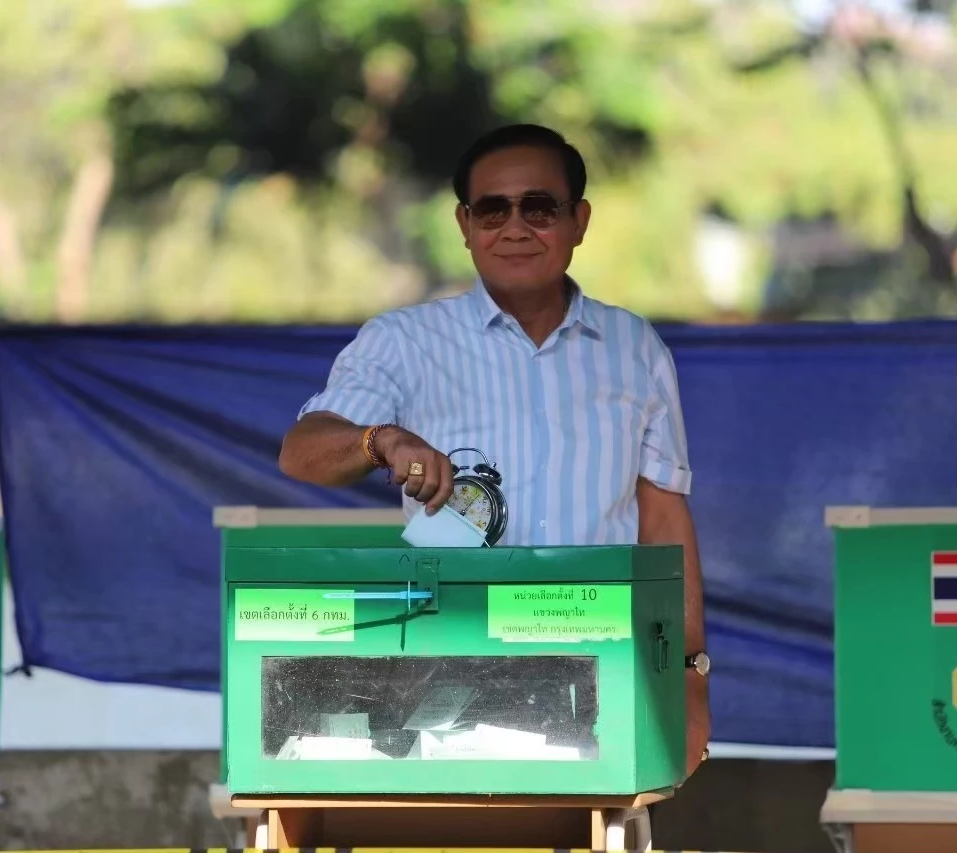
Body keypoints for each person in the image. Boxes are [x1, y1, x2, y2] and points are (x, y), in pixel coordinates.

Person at [278, 123, 710, 782]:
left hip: (603, 674)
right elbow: (301, 453)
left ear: (578, 221)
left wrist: (689, 673)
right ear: (464, 224)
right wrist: (378, 440)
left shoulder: (635, 347)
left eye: (539, 208)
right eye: (492, 210)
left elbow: (664, 519)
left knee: (600, 827)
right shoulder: (405, 341)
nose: (515, 227)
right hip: (447, 674)